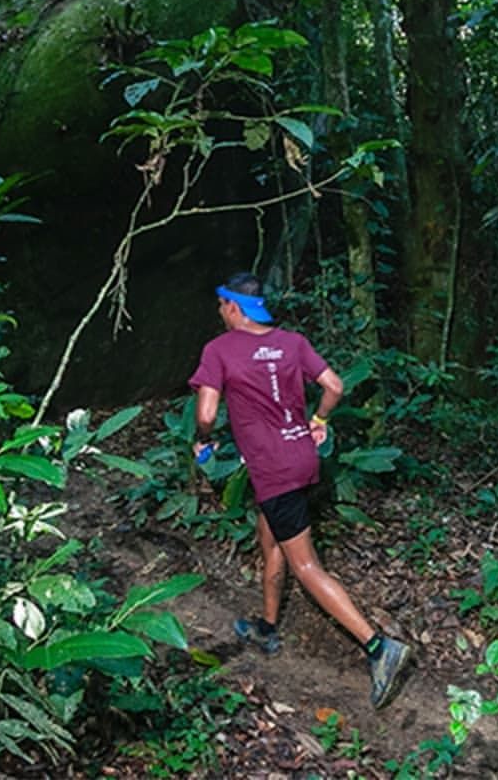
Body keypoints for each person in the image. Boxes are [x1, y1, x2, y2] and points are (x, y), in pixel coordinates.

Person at [188, 272, 412, 709]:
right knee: (269, 538)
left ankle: (379, 648)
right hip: (301, 458)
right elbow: (334, 386)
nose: (219, 313)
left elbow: (208, 411)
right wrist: (320, 420)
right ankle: (268, 628)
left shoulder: (219, 350)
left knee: (306, 565)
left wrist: (202, 438)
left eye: (221, 305)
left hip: (272, 469)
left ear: (234, 306)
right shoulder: (292, 342)